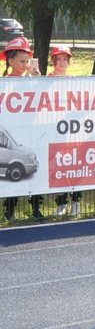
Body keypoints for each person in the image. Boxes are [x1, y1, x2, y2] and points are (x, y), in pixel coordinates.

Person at [1, 36, 42, 221]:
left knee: (33, 173)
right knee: (14, 173)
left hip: (31, 132)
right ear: (10, 61)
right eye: (21, 61)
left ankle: (36, 208)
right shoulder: (5, 83)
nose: (25, 65)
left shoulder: (31, 81)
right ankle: (10, 210)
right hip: (13, 136)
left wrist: (38, 81)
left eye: (27, 61)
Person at [48, 45, 82, 216]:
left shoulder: (74, 81)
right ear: (53, 61)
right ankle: (61, 203)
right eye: (58, 59)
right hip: (53, 130)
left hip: (71, 130)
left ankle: (76, 201)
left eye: (65, 59)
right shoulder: (45, 80)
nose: (61, 62)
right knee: (58, 166)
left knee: (74, 165)